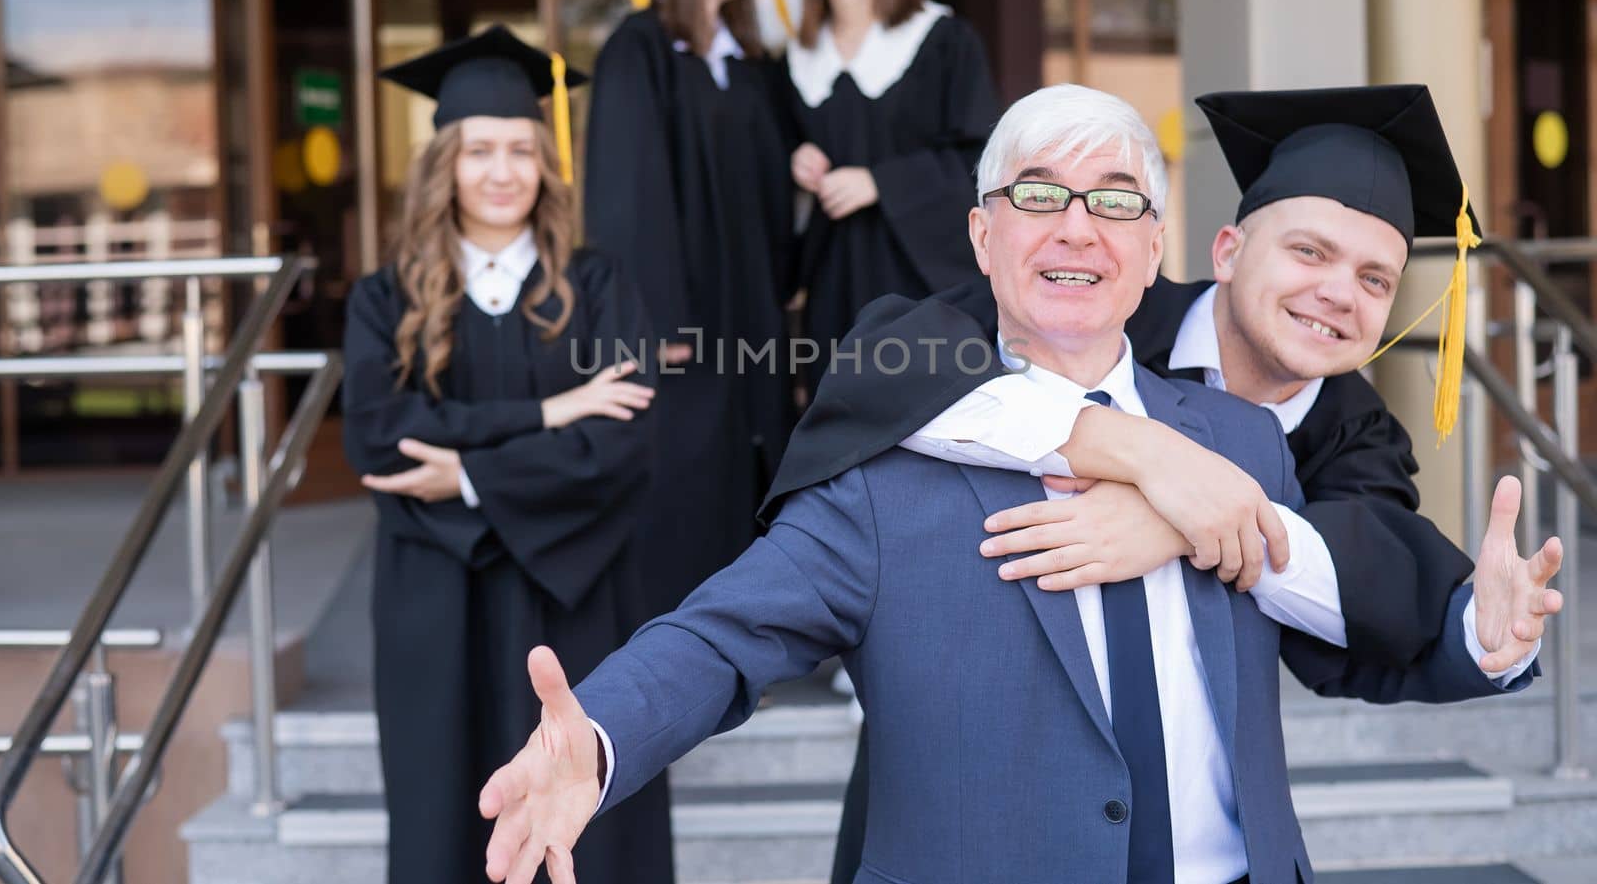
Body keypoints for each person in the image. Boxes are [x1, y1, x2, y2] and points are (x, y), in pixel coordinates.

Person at [477, 85, 1560, 884]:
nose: (1077, 225)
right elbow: (724, 636)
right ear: (982, 238)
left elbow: (1344, 616)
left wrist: (1479, 631)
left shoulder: (1268, 441)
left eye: (1114, 203)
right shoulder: (890, 454)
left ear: (1153, 252)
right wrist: (605, 737)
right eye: (1040, 196)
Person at [768, 84, 1498, 884]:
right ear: (1224, 251)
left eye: (1375, 278)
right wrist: (1136, 451)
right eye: (1309, 251)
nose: (1335, 294)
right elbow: (887, 369)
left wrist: (1195, 525)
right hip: (962, 800)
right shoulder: (1100, 304)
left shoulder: (1354, 433)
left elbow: (1357, 601)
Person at [341, 25, 673, 884]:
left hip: (576, 599)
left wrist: (469, 474)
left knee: (586, 837)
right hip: (433, 605)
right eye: (479, 149)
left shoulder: (599, 287)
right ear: (444, 162)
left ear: (545, 164)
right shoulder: (385, 300)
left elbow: (622, 446)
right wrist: (549, 411)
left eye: (521, 149)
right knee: (443, 821)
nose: (501, 170)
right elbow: (379, 436)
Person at [584, 0, 794, 615]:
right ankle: (676, 646)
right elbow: (625, 192)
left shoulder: (746, 66)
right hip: (682, 317)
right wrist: (654, 318)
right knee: (687, 472)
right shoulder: (637, 52)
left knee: (749, 466)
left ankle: (748, 636)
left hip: (750, 311)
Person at [774, 0, 1000, 372]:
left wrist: (882, 182)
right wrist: (796, 156)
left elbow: (983, 157)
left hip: (922, 278)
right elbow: (776, 147)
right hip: (833, 279)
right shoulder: (794, 61)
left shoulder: (943, 40)